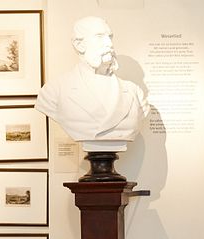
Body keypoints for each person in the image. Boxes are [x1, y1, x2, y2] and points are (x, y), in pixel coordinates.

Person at [35, 16, 149, 153]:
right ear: (79, 45)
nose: (109, 44)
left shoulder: (134, 92)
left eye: (110, 37)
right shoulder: (53, 91)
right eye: (100, 36)